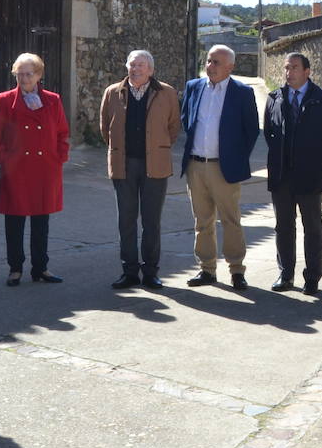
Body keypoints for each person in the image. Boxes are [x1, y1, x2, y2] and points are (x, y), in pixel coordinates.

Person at [0, 53, 69, 286]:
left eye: (28, 74)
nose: (23, 78)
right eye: (19, 74)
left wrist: (59, 156)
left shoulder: (53, 100)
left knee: (41, 221)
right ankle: (15, 268)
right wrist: (5, 159)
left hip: (45, 169)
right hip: (17, 170)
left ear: (39, 75)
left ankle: (41, 268)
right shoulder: (4, 100)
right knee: (15, 221)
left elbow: (62, 132)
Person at [180, 45, 260, 290]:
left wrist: (234, 157)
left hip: (223, 167)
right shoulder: (194, 87)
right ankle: (207, 270)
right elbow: (186, 118)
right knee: (202, 221)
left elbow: (251, 130)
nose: (210, 66)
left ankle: (236, 270)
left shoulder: (242, 92)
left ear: (230, 67)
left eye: (216, 62)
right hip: (196, 165)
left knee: (230, 220)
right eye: (208, 61)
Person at [263, 52, 322, 296]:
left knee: (312, 228)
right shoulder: (274, 98)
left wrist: (317, 161)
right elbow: (269, 133)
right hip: (281, 175)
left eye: (294, 67)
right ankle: (286, 274)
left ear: (307, 71)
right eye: (286, 68)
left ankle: (312, 277)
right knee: (284, 227)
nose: (289, 72)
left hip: (310, 175)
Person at [101, 50, 180, 290]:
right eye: (133, 65)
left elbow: (173, 127)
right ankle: (129, 271)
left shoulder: (166, 93)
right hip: (124, 164)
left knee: (151, 221)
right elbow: (105, 127)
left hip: (155, 164)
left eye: (142, 65)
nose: (136, 69)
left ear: (151, 69)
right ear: (127, 67)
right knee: (126, 220)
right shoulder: (112, 92)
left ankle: (151, 271)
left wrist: (157, 148)